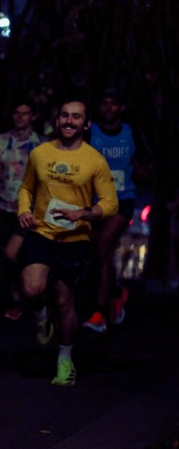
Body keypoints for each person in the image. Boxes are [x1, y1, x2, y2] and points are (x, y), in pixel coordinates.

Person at [17, 98, 118, 386]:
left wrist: (83, 213)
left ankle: (64, 359)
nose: (69, 121)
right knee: (31, 288)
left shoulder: (94, 160)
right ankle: (40, 314)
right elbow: (26, 188)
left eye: (76, 117)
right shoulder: (40, 153)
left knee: (64, 303)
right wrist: (23, 211)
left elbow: (110, 203)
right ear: (57, 120)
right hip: (41, 233)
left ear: (86, 124)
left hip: (74, 239)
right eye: (64, 115)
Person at [82, 89, 144, 332]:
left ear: (122, 108)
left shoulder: (131, 132)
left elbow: (142, 162)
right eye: (104, 103)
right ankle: (117, 293)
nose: (108, 107)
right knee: (99, 254)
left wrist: (142, 171)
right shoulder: (90, 133)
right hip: (94, 202)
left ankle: (99, 313)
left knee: (103, 245)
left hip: (122, 200)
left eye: (113, 103)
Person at [0, 99, 43, 319]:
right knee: (5, 257)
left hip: (30, 210)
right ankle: (15, 299)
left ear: (33, 116)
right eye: (16, 112)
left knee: (21, 253)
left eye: (24, 113)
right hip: (3, 206)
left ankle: (29, 299)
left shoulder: (41, 145)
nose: (20, 117)